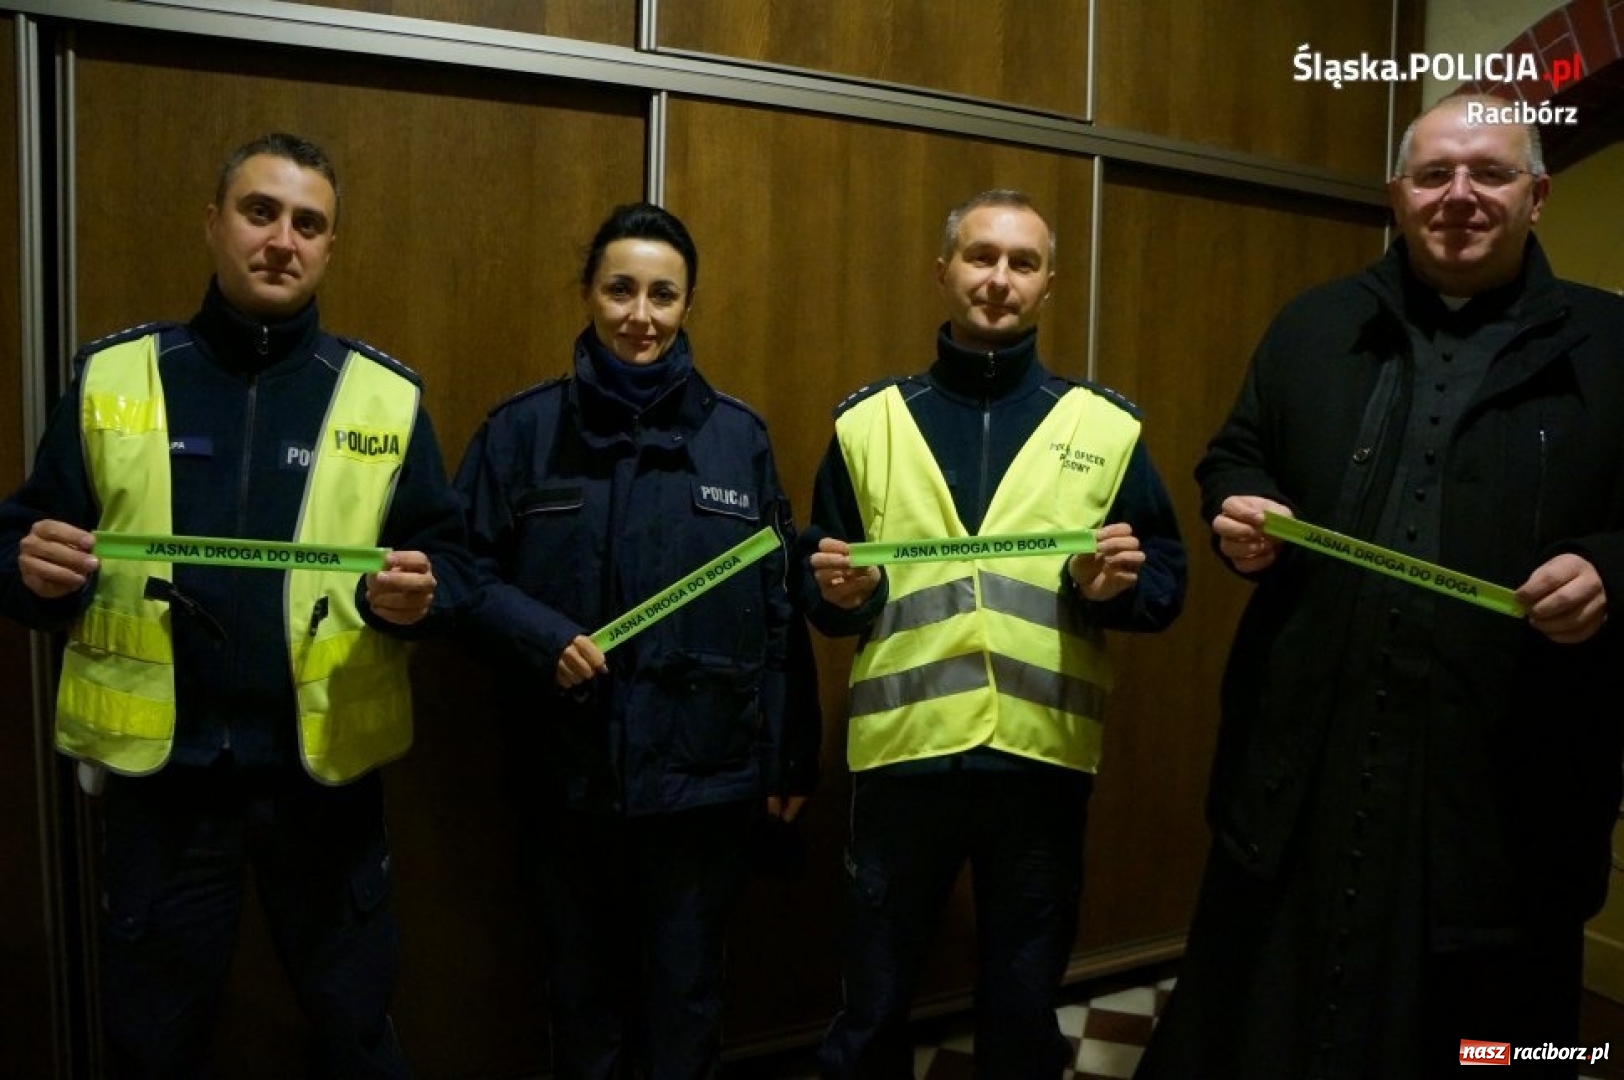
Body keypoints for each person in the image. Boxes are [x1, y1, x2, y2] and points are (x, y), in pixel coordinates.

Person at [1136, 94, 1624, 1079]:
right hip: (1302, 766)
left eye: (1490, 173)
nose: (1459, 195)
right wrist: (1238, 505)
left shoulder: (1613, 343)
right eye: (1434, 174)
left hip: (1507, 791)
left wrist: (1611, 569)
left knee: (1499, 1053)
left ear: (1536, 195)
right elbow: (1233, 454)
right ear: (1398, 195)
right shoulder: (1313, 324)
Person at [0, 133, 470, 1077]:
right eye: (261, 212)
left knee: (359, 1036)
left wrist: (417, 599)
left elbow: (453, 563)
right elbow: (22, 541)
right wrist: (31, 571)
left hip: (324, 786)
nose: (282, 240)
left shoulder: (383, 397)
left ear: (329, 247)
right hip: (165, 790)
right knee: (151, 1045)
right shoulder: (114, 377)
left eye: (309, 224)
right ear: (213, 222)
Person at [806, 189, 1187, 1077]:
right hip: (903, 762)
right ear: (943, 271)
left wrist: (1111, 589)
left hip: (1039, 765)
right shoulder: (867, 424)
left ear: (1049, 284)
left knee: (1022, 1009)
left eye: (1023, 262)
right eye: (981, 256)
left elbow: (1165, 582)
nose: (999, 279)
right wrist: (845, 595)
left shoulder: (1106, 427)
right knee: (873, 1005)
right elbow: (818, 587)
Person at [453, 201, 820, 1078]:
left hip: (704, 788)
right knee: (580, 1003)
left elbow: (777, 608)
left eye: (663, 294)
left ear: (689, 305)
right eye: (621, 290)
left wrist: (789, 756)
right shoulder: (520, 432)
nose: (641, 316)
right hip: (567, 782)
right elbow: (457, 574)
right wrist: (539, 636)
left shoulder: (739, 438)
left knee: (687, 1002)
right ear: (588, 293)